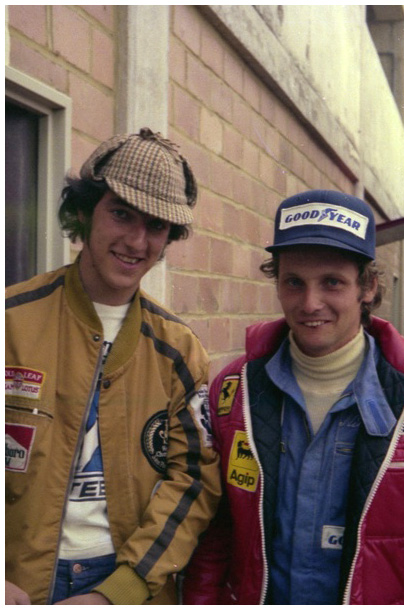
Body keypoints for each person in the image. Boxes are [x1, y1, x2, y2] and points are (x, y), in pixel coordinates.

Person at [183, 190, 404, 605]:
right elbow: (215, 533)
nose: (310, 304)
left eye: (331, 282)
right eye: (294, 282)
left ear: (366, 287)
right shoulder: (234, 390)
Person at [5, 128, 221, 605]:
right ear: (84, 211)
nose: (137, 241)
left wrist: (117, 593)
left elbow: (194, 480)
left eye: (157, 225)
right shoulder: (11, 322)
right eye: (121, 213)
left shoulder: (179, 351)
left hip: (128, 582)